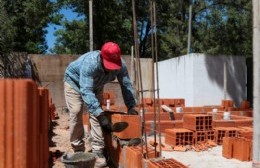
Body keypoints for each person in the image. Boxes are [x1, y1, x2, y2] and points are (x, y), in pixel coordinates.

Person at [63, 41, 138, 167]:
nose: (111, 68)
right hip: (74, 83)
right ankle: (78, 150)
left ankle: (98, 151)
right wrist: (101, 116)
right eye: (109, 65)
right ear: (102, 57)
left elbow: (126, 85)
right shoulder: (90, 63)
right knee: (76, 112)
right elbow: (86, 90)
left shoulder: (121, 65)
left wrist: (131, 106)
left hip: (96, 86)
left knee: (95, 116)